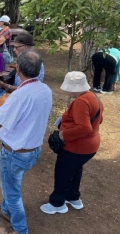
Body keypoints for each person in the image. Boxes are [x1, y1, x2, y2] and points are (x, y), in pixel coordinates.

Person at [0, 50, 52, 234]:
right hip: (32, 150)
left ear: (18, 68)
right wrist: (3, 85)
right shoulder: (45, 89)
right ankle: (5, 210)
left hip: (15, 153)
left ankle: (20, 230)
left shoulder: (20, 97)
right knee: (12, 184)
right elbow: (22, 91)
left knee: (12, 193)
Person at [40, 71, 103, 215]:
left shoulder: (81, 102)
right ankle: (73, 197)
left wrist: (63, 134)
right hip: (90, 145)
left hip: (77, 147)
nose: (66, 91)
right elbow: (98, 120)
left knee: (63, 173)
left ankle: (57, 203)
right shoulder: (93, 96)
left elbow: (84, 128)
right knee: (75, 171)